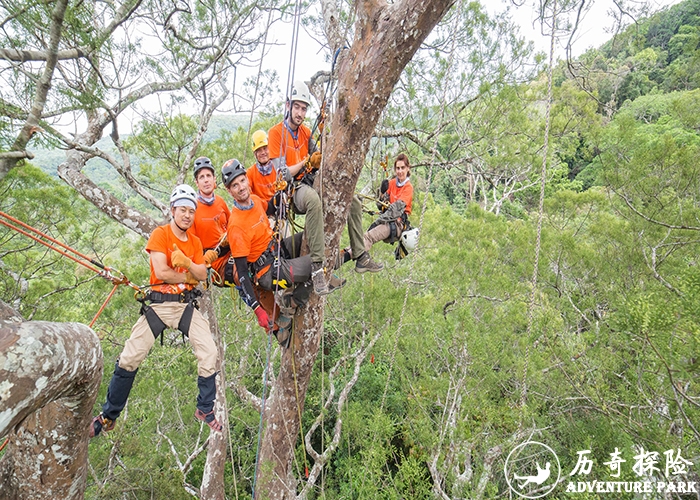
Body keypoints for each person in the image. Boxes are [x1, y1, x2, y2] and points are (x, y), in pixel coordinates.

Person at [90, 184, 223, 437]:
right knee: (130, 357)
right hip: (159, 305)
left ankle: (205, 408)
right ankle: (108, 416)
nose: (187, 215)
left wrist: (191, 270)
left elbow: (203, 275)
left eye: (190, 212)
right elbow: (161, 272)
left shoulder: (194, 241)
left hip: (185, 306)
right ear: (173, 210)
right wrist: (189, 274)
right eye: (182, 210)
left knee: (209, 353)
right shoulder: (160, 235)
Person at [268, 80, 382, 288]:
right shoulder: (276, 134)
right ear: (288, 106)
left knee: (352, 200)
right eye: (297, 107)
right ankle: (317, 266)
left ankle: (360, 255)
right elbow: (281, 174)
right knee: (313, 201)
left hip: (312, 180)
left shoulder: (305, 133)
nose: (300, 113)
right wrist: (305, 162)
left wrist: (324, 133)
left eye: (303, 109)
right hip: (295, 190)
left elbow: (320, 154)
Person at [221, 158, 337, 346]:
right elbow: (242, 274)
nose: (241, 187)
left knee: (318, 239)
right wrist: (258, 309)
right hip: (267, 272)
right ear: (229, 190)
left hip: (277, 251)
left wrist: (282, 190)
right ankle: (292, 302)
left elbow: (271, 206)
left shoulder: (255, 200)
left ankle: (305, 288)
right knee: (322, 261)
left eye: (242, 181)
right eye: (235, 185)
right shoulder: (236, 227)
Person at [362, 153, 414, 255]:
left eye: (402, 168)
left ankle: (358, 257)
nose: (400, 171)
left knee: (368, 237)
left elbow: (395, 210)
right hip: (386, 220)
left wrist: (377, 222)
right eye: (397, 168)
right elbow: (381, 205)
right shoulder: (392, 183)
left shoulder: (408, 187)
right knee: (364, 236)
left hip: (397, 223)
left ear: (408, 168)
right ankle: (348, 253)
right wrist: (382, 193)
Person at [191, 156, 230, 277]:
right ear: (197, 183)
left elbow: (232, 223)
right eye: (201, 177)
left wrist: (229, 235)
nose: (206, 180)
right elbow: (190, 244)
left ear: (214, 179)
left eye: (208, 176)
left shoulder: (220, 202)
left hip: (230, 252)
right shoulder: (192, 209)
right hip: (213, 263)